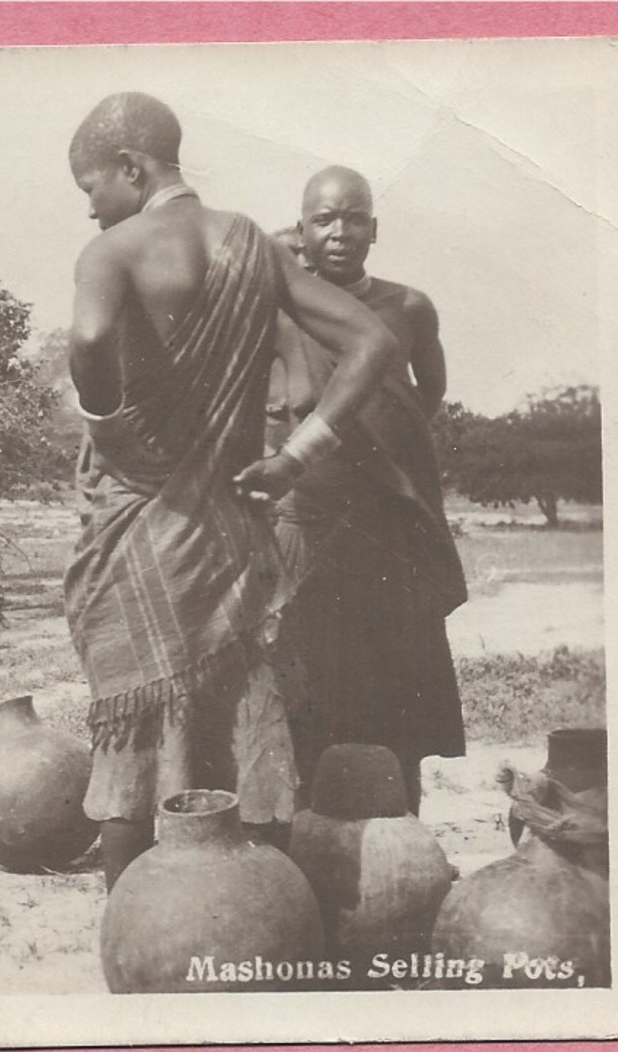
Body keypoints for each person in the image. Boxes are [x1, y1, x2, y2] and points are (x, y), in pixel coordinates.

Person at [60, 93, 403, 890]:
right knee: (243, 711)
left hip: (141, 527)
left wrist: (109, 433)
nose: (89, 209)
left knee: (135, 733)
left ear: (130, 168)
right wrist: (299, 453)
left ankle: (134, 924)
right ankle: (263, 910)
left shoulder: (113, 251)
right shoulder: (252, 242)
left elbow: (85, 338)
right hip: (232, 521)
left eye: (90, 189)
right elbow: (372, 340)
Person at [268, 166, 468, 813]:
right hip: (309, 522)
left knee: (396, 692)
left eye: (353, 217)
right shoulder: (280, 308)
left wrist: (386, 443)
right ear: (301, 231)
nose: (339, 231)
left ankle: (398, 837)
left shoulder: (408, 307)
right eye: (322, 218)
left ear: (373, 229)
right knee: (304, 687)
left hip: (388, 525)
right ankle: (308, 841)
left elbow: (425, 394)